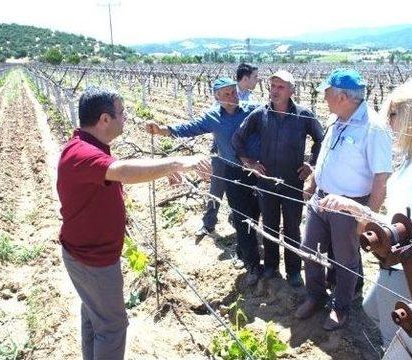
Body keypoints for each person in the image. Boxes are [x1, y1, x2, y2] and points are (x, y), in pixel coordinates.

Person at [57, 86, 210, 360]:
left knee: (95, 318)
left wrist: (160, 172)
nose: (125, 117)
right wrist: (175, 163)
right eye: (121, 113)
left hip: (85, 253)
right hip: (93, 259)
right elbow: (122, 171)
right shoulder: (83, 153)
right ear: (105, 119)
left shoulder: (85, 147)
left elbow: (111, 178)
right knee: (113, 328)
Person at [319, 80, 412, 346]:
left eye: (394, 114)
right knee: (373, 310)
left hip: (407, 266)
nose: (389, 121)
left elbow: (405, 233)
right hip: (408, 262)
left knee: (396, 337)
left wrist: (355, 208)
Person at [295, 69, 392, 331]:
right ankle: (315, 296)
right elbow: (326, 155)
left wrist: (366, 217)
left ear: (342, 96)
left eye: (327, 93)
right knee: (309, 249)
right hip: (321, 199)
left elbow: (380, 180)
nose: (323, 97)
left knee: (344, 259)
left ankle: (341, 308)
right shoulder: (335, 119)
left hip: (349, 205)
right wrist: (314, 181)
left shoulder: (374, 128)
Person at [144, 78, 264, 286]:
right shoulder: (212, 117)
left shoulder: (251, 110)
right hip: (233, 172)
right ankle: (252, 265)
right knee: (241, 217)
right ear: (216, 97)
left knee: (254, 214)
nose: (232, 97)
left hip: (257, 171)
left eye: (233, 93)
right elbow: (188, 128)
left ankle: (243, 250)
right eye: (226, 94)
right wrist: (161, 130)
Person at [232, 70, 324, 287]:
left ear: (292, 90)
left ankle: (293, 271)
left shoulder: (303, 115)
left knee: (292, 227)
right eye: (272, 86)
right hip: (266, 182)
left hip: (293, 182)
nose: (274, 90)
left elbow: (321, 140)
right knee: (270, 225)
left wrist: (310, 163)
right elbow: (238, 139)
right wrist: (250, 163)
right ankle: (271, 266)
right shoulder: (259, 115)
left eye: (280, 86)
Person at [195, 63, 259, 239]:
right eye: (255, 77)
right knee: (216, 188)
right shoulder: (226, 91)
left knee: (241, 191)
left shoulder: (250, 99)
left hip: (244, 157)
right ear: (245, 79)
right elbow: (214, 119)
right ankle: (208, 224)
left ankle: (237, 221)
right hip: (222, 153)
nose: (257, 80)